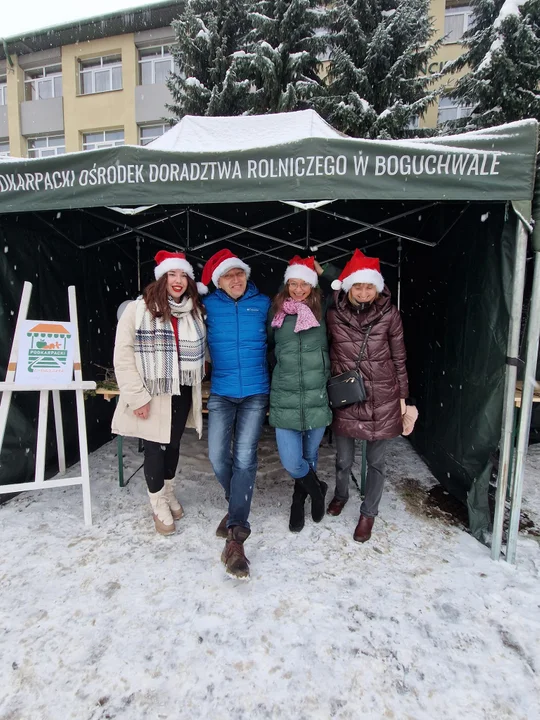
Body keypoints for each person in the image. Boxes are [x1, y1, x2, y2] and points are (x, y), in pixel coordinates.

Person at [112, 250, 206, 535]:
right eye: (172, 275)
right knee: (154, 447)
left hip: (182, 390)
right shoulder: (138, 309)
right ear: (162, 278)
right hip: (151, 390)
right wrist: (136, 397)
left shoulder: (194, 311)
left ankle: (168, 491)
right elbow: (123, 355)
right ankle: (157, 503)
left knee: (174, 444)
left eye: (183, 275)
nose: (178, 281)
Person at [326, 249, 409, 543]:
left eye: (368, 286)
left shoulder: (390, 314)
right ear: (349, 287)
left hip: (382, 396)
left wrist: (403, 398)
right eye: (358, 286)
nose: (363, 292)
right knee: (343, 458)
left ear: (377, 287)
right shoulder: (334, 315)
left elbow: (399, 358)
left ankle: (368, 513)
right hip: (348, 394)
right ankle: (340, 494)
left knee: (376, 461)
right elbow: (325, 352)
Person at [198, 248, 270, 579]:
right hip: (223, 392)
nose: (236, 279)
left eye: (240, 273)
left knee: (244, 457)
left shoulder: (265, 304)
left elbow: (278, 339)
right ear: (219, 282)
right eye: (228, 275)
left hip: (255, 391)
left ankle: (236, 534)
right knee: (216, 456)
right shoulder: (207, 307)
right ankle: (235, 505)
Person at [268, 256, 332, 533]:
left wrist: (325, 270)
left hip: (317, 396)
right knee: (293, 461)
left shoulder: (324, 308)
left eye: (304, 283)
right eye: (293, 283)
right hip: (286, 397)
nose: (297, 289)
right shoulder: (276, 311)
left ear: (313, 285)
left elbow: (348, 287)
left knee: (310, 455)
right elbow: (268, 346)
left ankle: (298, 501)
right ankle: (317, 491)